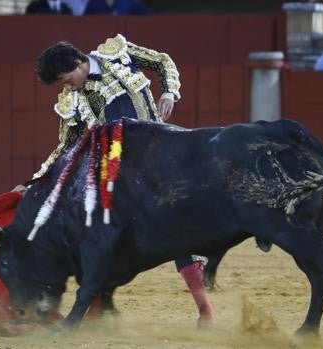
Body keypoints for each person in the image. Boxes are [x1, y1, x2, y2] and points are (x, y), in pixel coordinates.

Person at [32, 34, 213, 327]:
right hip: (124, 178)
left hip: (161, 158)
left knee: (181, 234)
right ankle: (94, 311)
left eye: (66, 79)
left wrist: (169, 92)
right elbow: (65, 147)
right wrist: (35, 180)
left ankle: (205, 310)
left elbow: (162, 61)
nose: (66, 87)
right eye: (61, 84)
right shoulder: (73, 101)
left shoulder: (117, 54)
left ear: (79, 63)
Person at [83, 0, 150, 15]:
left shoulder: (130, 2)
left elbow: (148, 17)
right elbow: (84, 21)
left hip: (124, 42)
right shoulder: (94, 2)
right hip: (100, 41)